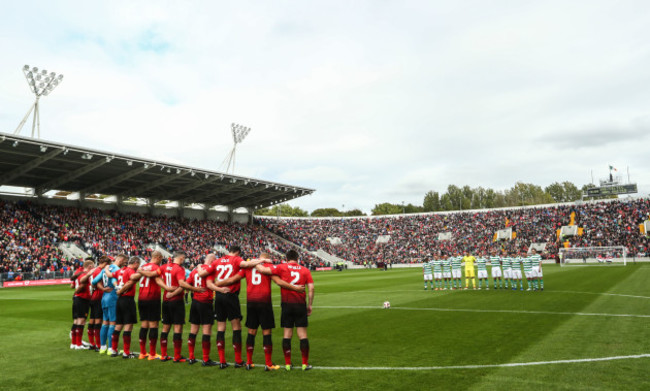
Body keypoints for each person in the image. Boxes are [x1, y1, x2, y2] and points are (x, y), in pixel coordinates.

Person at [215, 252, 304, 371]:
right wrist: (296, 288)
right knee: (266, 332)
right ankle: (268, 364)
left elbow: (232, 279)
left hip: (251, 303)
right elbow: (279, 282)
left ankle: (249, 362)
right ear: (266, 259)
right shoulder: (268, 267)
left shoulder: (248, 268)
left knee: (251, 332)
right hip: (264, 303)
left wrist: (216, 284)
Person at [197, 245, 261, 368]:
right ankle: (238, 361)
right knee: (236, 326)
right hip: (230, 295)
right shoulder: (236, 259)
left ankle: (222, 361)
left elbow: (202, 274)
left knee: (221, 327)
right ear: (237, 252)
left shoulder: (217, 261)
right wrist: (261, 260)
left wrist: (199, 266)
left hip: (219, 296)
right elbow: (246, 265)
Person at [267, 249, 314, 371]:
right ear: (298, 259)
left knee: (287, 334)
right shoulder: (305, 270)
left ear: (286, 259)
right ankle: (305, 364)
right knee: (302, 334)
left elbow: (267, 271)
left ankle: (288, 364)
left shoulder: (282, 267)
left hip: (286, 304)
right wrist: (310, 305)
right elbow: (311, 288)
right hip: (300, 305)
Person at [186, 255, 228, 366]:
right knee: (206, 330)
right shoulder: (210, 270)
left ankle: (191, 357)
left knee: (193, 330)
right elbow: (209, 285)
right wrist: (220, 289)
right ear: (213, 261)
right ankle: (205, 359)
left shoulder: (195, 271)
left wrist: (194, 290)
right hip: (205, 302)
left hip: (194, 302)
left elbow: (186, 283)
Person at [135, 251, 173, 360]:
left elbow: (134, 278)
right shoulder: (156, 267)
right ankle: (152, 354)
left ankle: (142, 353)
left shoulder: (143, 267)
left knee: (144, 325)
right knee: (153, 325)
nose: (162, 260)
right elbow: (157, 279)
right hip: (152, 298)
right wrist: (167, 288)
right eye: (161, 258)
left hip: (141, 298)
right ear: (157, 257)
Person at [159, 251, 195, 362]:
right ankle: (177, 356)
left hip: (165, 300)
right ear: (181, 257)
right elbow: (181, 285)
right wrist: (173, 293)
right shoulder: (179, 269)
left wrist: (166, 287)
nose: (184, 260)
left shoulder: (164, 267)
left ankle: (163, 355)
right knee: (177, 327)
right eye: (184, 258)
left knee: (165, 328)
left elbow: (156, 278)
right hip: (176, 301)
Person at [92, 254, 128, 355]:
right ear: (120, 259)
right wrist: (118, 287)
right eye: (124, 261)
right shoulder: (116, 269)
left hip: (104, 297)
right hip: (112, 297)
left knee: (105, 323)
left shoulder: (105, 269)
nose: (124, 263)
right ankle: (111, 348)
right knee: (112, 323)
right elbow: (113, 279)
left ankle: (103, 347)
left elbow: (94, 281)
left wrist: (103, 288)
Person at [114, 257, 141, 358]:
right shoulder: (130, 271)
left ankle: (114, 350)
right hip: (127, 299)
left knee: (118, 325)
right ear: (135, 263)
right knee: (128, 326)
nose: (138, 267)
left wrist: (107, 269)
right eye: (138, 265)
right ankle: (126, 352)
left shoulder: (120, 270)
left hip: (119, 300)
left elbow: (111, 276)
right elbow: (130, 282)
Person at [70, 260, 95, 349]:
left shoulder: (78, 271)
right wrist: (76, 293)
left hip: (77, 298)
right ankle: (78, 344)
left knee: (76, 321)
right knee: (81, 321)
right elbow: (82, 284)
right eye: (93, 266)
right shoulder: (84, 274)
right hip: (82, 298)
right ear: (90, 266)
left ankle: (73, 343)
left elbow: (72, 285)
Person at [88, 256, 109, 350]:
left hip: (93, 297)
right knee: (98, 321)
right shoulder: (99, 271)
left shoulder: (95, 270)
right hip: (98, 297)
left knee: (92, 320)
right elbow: (96, 284)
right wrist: (104, 289)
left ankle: (92, 343)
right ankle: (98, 344)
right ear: (105, 263)